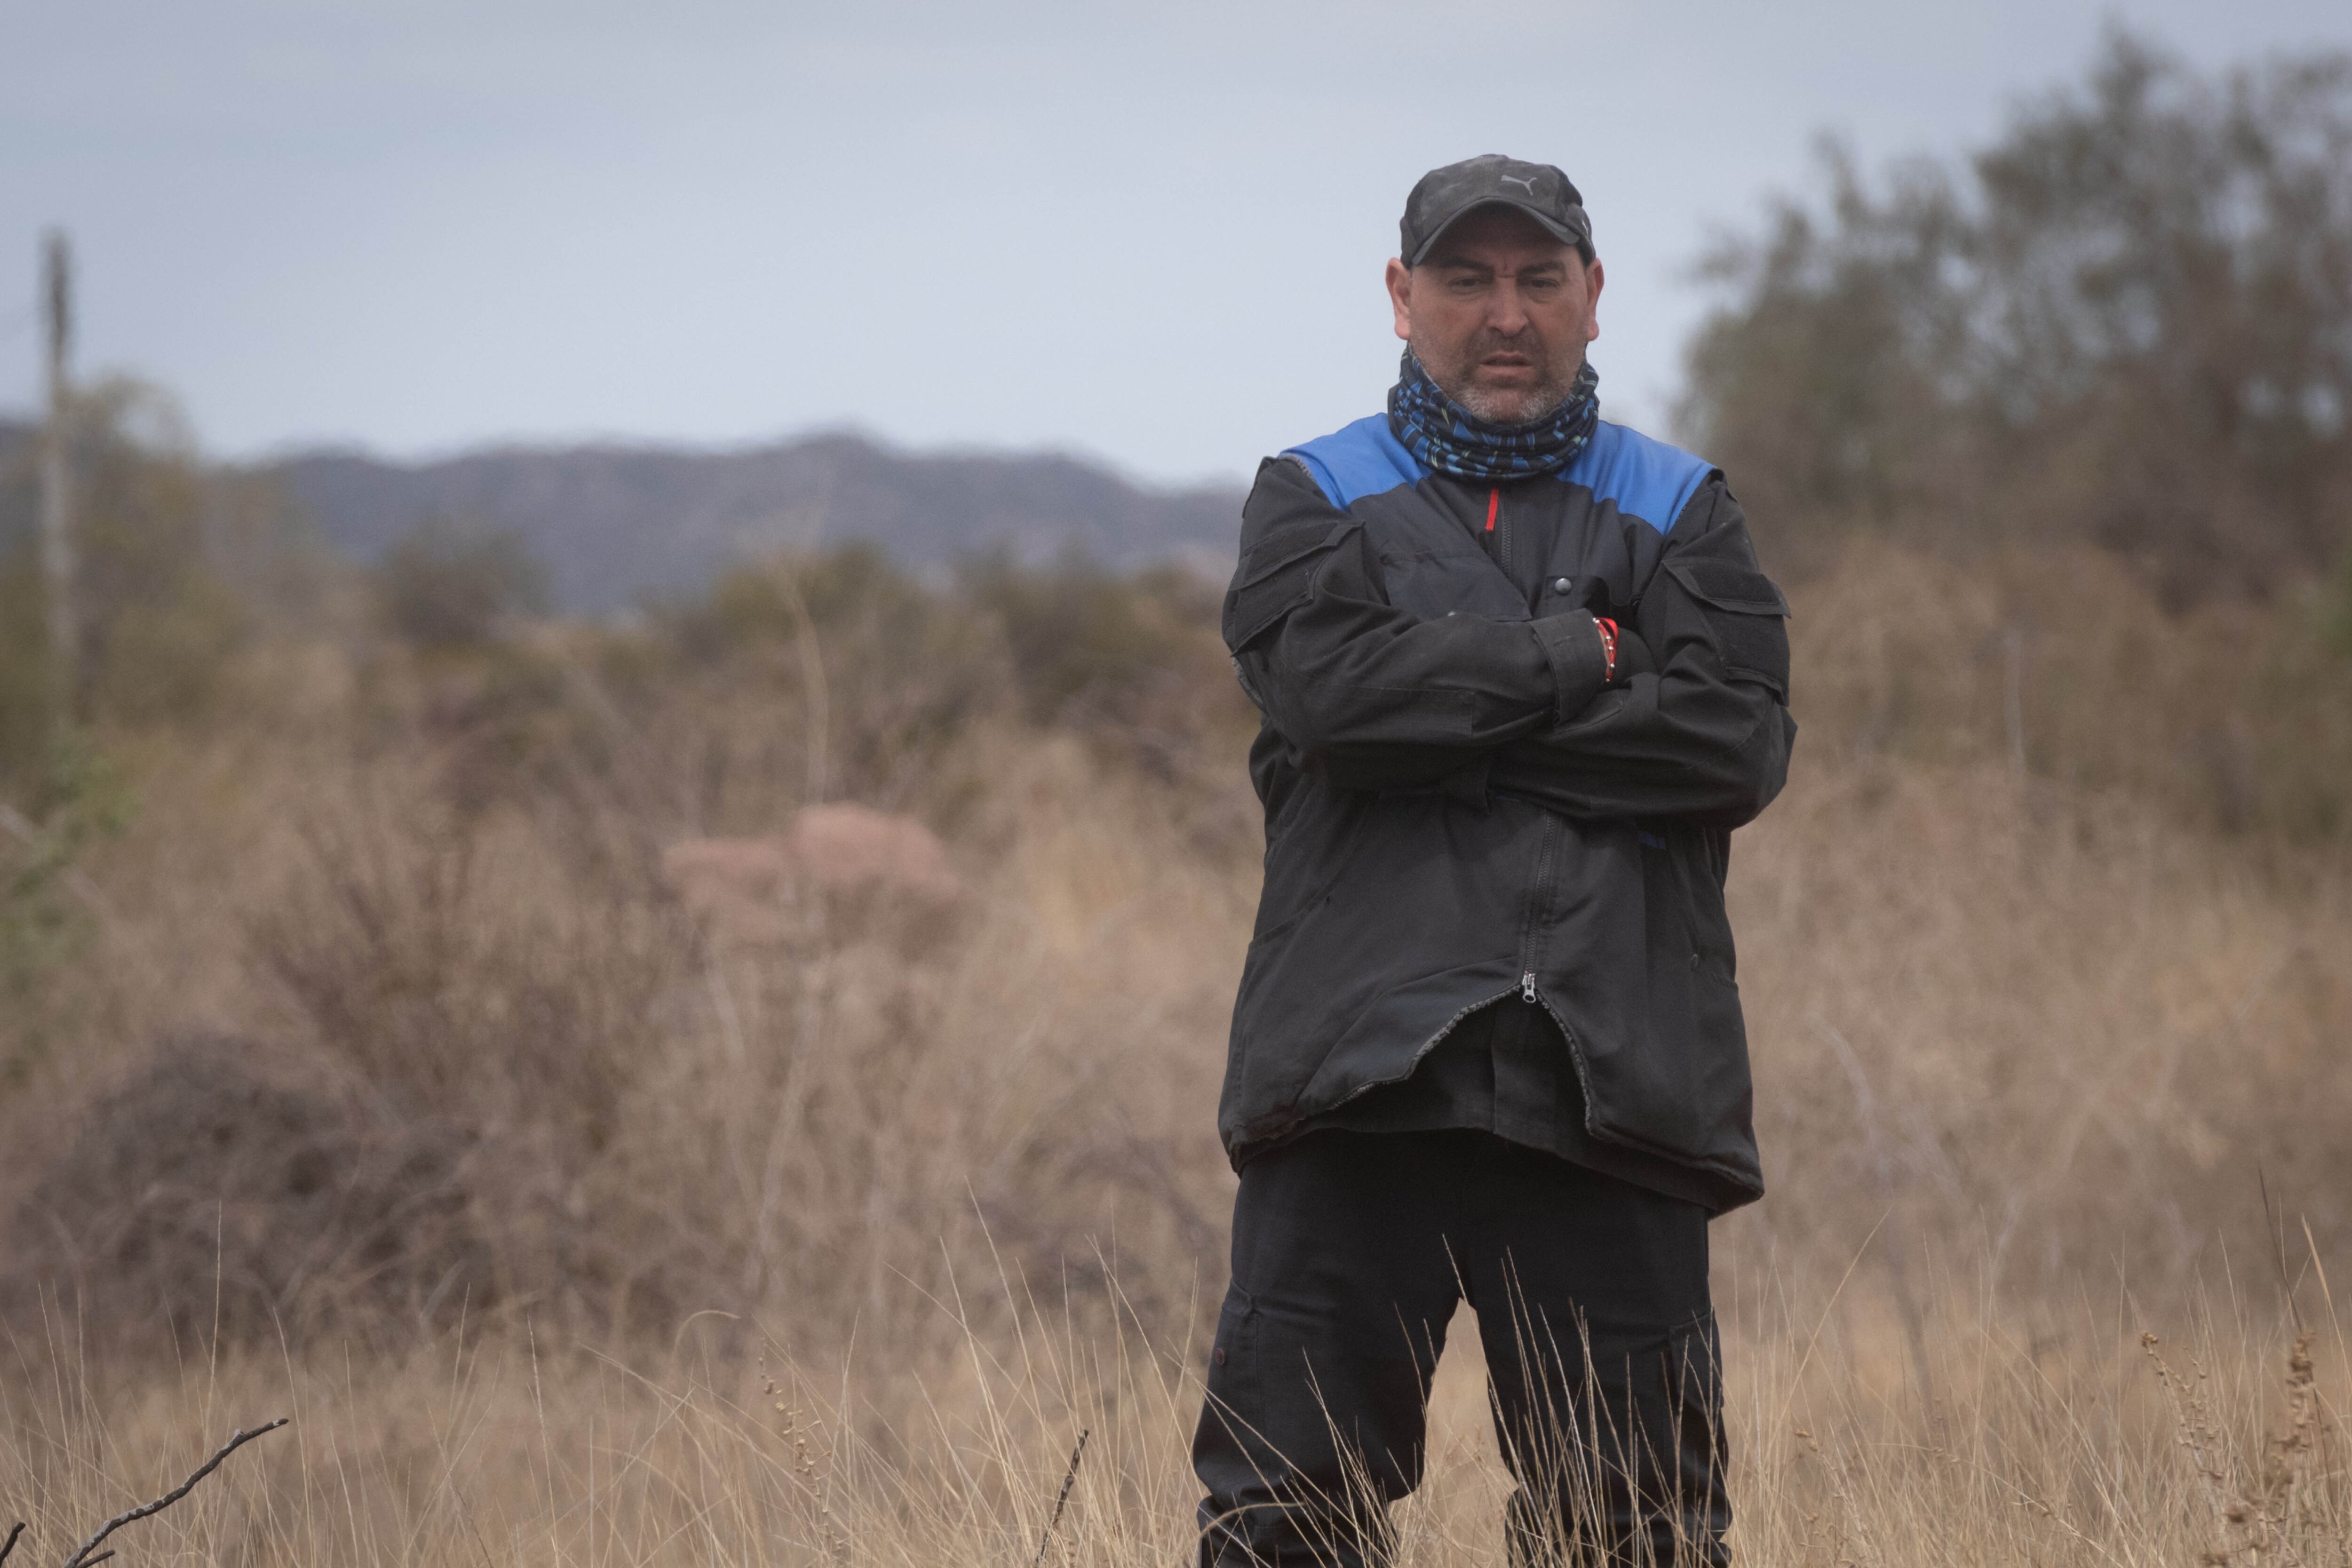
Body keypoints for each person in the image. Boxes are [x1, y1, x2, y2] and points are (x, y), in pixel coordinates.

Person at [1193, 154, 1796, 1568]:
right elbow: (1334, 704)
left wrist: (1439, 735)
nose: (1504, 312)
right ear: (1403, 300)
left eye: (1537, 278)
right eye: (1465, 279)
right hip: (1356, 1073)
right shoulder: (1312, 498)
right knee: (1286, 1515)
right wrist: (1580, 657)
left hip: (1612, 1077)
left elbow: (1732, 748)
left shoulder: (1683, 505)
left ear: (1595, 299)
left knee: (1634, 1531)